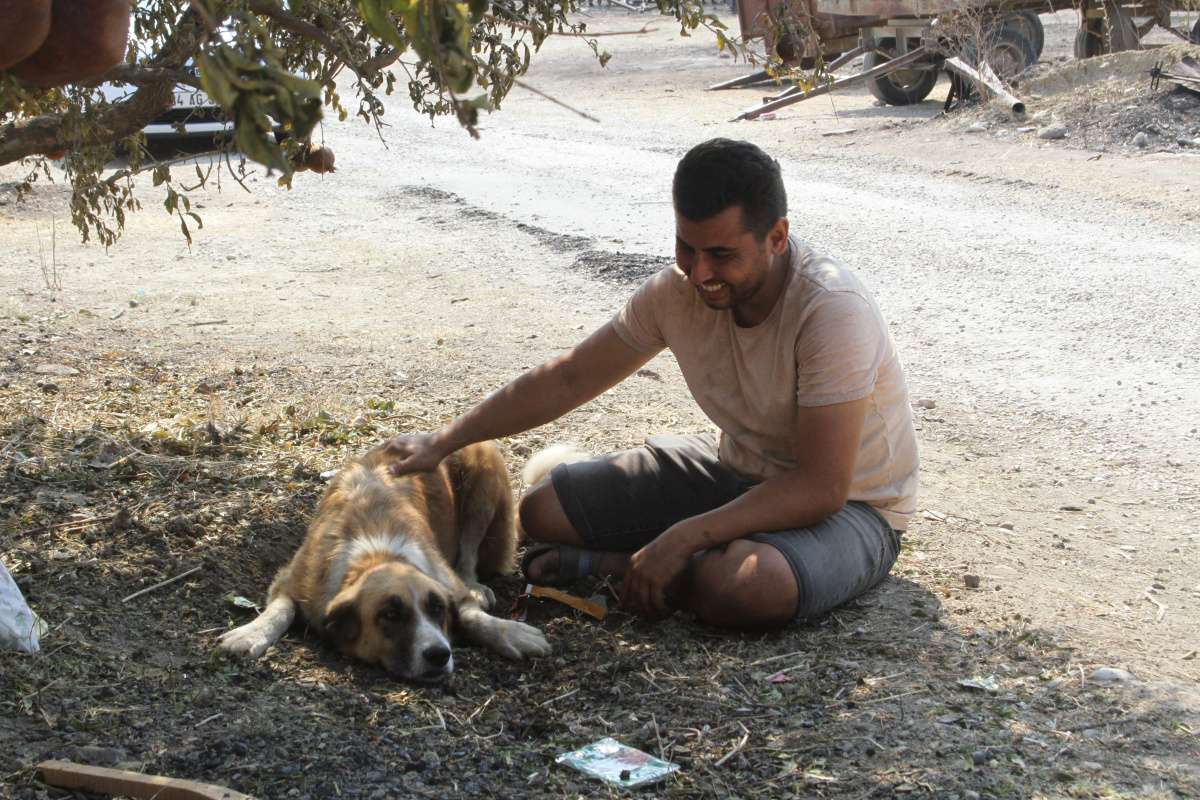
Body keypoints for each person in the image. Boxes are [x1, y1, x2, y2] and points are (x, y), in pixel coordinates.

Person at [384, 138, 918, 630]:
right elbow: (568, 378)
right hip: (739, 474)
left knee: (747, 588)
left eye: (722, 255)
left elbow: (820, 487)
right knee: (542, 511)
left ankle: (626, 563)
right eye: (687, 247)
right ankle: (680, 553)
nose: (699, 271)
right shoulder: (676, 292)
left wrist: (685, 536)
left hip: (854, 509)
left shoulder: (831, 310)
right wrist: (446, 441)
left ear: (777, 237)